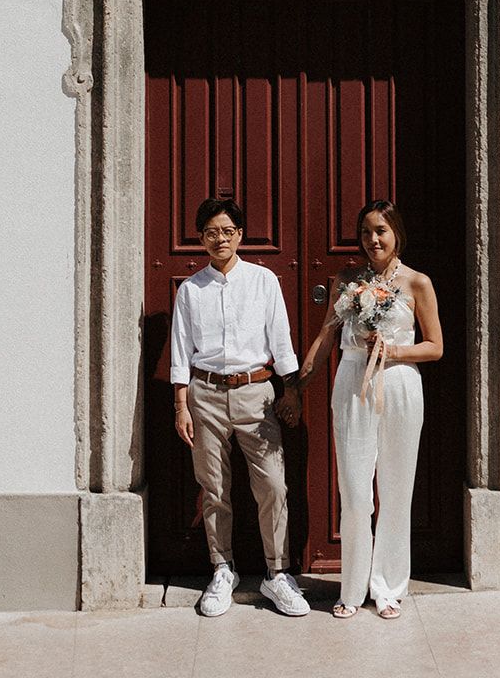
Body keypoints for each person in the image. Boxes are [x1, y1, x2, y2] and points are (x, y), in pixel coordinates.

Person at [298, 199, 443, 620]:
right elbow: (327, 338)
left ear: (396, 233)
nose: (373, 239)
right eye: (365, 232)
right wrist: (298, 386)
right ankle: (353, 586)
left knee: (397, 488)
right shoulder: (346, 280)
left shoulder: (418, 283)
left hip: (398, 383)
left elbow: (435, 347)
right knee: (356, 490)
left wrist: (393, 350)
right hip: (353, 383)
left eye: (380, 230)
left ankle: (388, 587)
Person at [170, 195, 310, 619]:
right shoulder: (191, 290)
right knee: (214, 488)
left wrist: (292, 390)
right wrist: (181, 405)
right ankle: (222, 569)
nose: (220, 239)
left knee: (273, 485)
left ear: (240, 235)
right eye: (211, 232)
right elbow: (180, 350)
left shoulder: (263, 281)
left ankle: (277, 572)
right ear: (201, 238)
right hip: (206, 395)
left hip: (256, 392)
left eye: (227, 231)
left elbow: (280, 339)